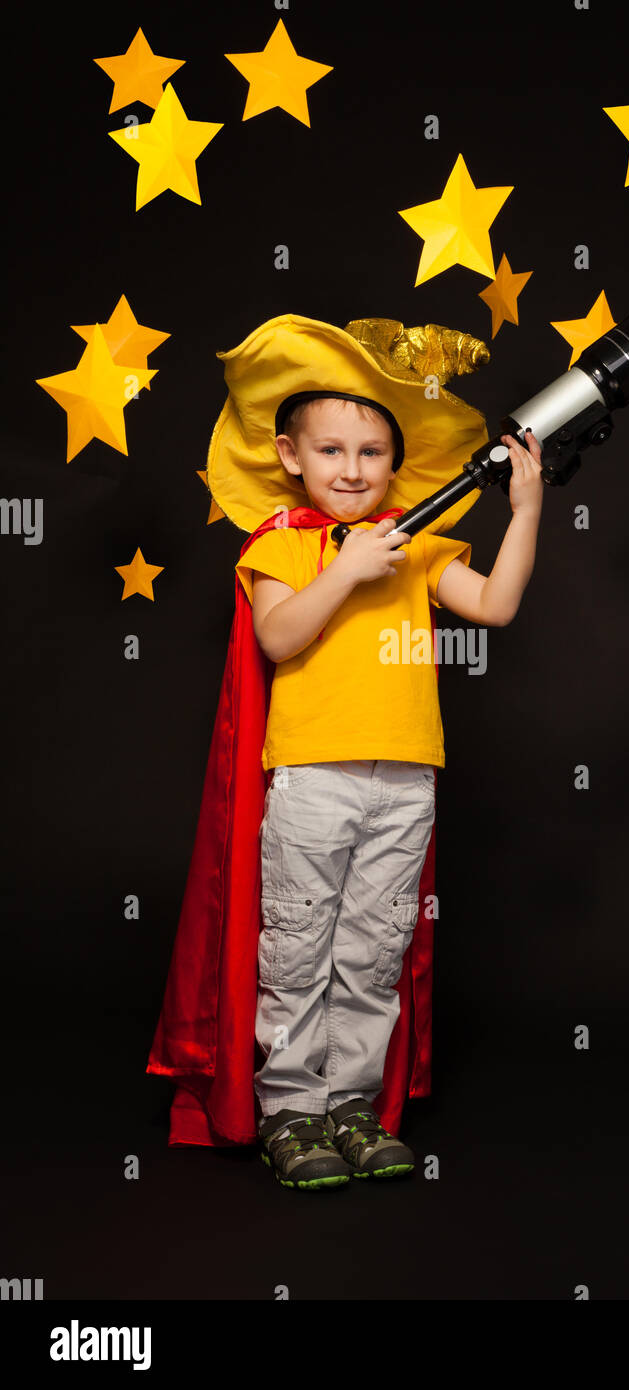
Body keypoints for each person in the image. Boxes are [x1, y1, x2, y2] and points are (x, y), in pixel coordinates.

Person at [145, 313, 543, 1192]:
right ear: (291, 456)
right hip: (313, 779)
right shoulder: (282, 545)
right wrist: (345, 569)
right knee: (296, 949)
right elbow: (280, 638)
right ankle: (290, 1109)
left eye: (370, 454)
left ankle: (353, 1104)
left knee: (372, 951)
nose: (352, 471)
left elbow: (497, 606)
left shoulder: (419, 547)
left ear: (396, 464)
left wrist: (525, 511)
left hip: (404, 780)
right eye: (331, 452)